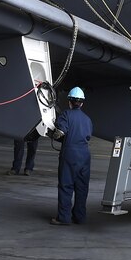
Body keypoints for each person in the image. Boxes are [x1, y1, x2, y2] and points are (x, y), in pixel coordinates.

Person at [50, 86, 92, 226]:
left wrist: (52, 132)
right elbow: (88, 136)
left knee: (66, 186)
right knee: (81, 187)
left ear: (69, 102)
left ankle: (64, 218)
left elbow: (59, 133)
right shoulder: (87, 119)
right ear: (82, 103)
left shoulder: (66, 115)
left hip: (70, 154)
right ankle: (79, 217)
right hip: (84, 156)